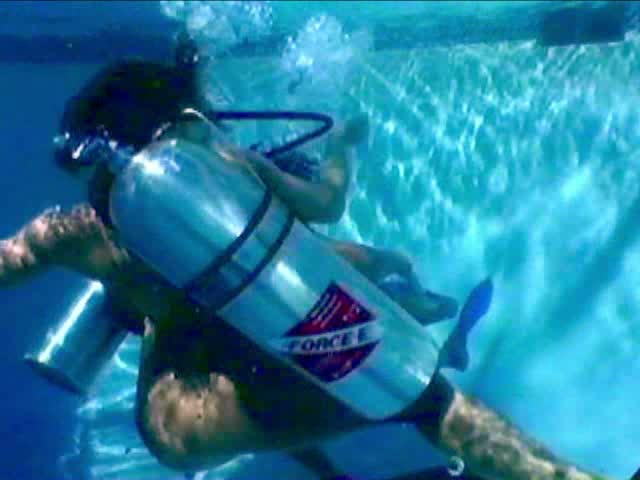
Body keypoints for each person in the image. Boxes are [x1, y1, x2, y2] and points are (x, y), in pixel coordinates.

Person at [0, 57, 607, 480]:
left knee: (200, 321)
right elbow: (328, 201)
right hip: (254, 367)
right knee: (420, 393)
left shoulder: (79, 231)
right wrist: (340, 146)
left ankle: (377, 391)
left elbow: (12, 259)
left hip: (192, 416)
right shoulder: (233, 167)